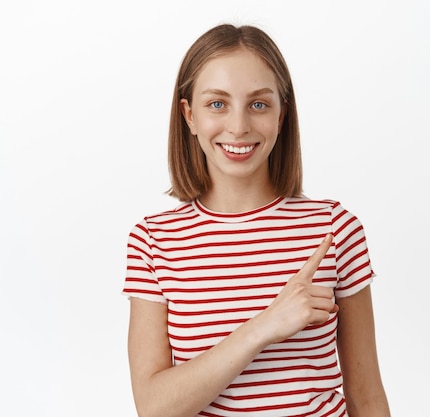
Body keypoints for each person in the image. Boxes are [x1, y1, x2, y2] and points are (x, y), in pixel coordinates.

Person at [122, 23, 391, 417]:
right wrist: (264, 327)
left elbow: (366, 397)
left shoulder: (335, 229)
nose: (239, 126)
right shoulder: (154, 240)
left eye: (259, 104)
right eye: (217, 103)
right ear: (189, 115)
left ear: (282, 115)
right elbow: (153, 407)